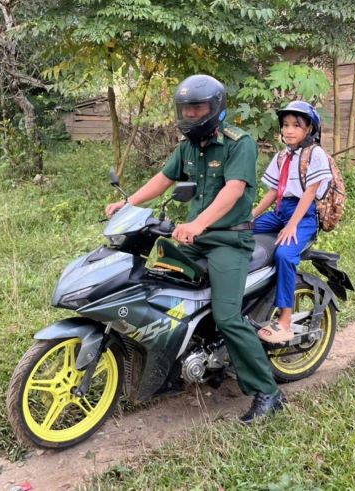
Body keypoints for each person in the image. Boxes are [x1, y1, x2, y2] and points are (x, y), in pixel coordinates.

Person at [105, 74, 285, 423]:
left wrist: (200, 223)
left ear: (215, 108)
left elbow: (233, 190)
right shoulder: (188, 146)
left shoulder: (239, 143)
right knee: (152, 276)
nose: (191, 115)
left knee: (228, 316)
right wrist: (129, 203)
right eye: (186, 109)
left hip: (229, 242)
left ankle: (268, 393)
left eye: (198, 108)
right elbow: (163, 179)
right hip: (194, 240)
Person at [251, 101, 332, 344]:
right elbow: (274, 192)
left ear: (309, 129)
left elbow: (309, 193)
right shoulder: (282, 156)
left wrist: (292, 225)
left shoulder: (315, 154)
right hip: (281, 211)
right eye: (286, 125)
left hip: (304, 216)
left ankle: (285, 320)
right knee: (239, 230)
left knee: (285, 255)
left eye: (296, 125)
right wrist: (250, 216)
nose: (289, 130)